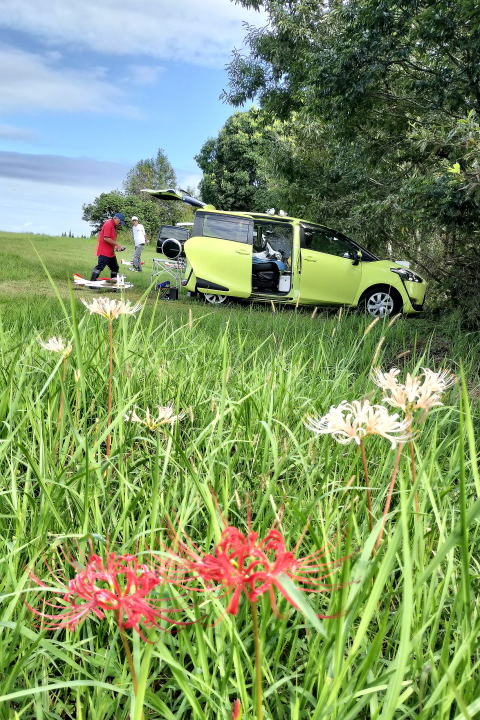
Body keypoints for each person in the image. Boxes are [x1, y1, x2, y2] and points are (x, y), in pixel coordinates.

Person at [90, 213, 126, 281]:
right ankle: (92, 282)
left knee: (115, 268)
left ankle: (113, 282)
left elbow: (111, 239)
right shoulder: (108, 224)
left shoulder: (114, 226)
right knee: (100, 267)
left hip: (110, 253)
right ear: (116, 218)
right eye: (119, 222)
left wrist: (116, 247)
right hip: (104, 252)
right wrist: (117, 245)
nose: (120, 224)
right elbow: (106, 238)